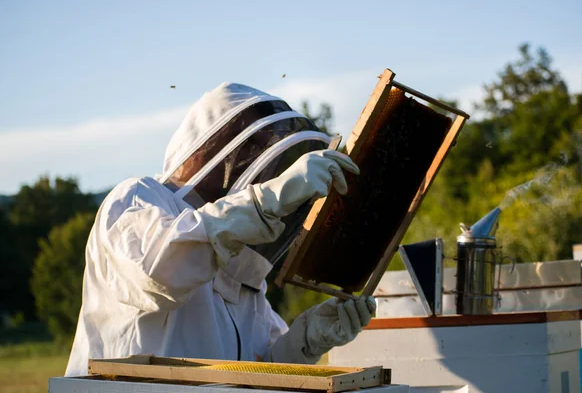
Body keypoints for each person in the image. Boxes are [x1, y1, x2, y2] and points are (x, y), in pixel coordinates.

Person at [65, 82, 376, 377]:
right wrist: (265, 200)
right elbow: (160, 270)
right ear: (203, 144)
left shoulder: (238, 263)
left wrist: (307, 338)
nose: (263, 161)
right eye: (252, 142)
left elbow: (258, 371)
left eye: (269, 149)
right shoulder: (139, 197)